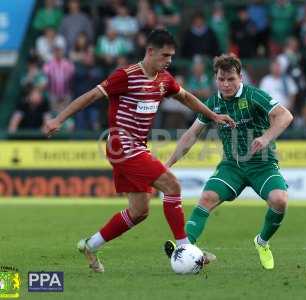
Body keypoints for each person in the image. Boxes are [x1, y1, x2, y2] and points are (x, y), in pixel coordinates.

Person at [43, 29, 234, 273]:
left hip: (138, 146)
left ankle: (90, 245)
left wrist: (214, 115)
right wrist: (58, 119)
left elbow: (186, 98)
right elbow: (92, 95)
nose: (169, 61)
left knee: (139, 211)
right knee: (172, 185)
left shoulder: (164, 79)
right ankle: (186, 248)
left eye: (172, 56)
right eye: (165, 56)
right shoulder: (125, 75)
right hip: (121, 145)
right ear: (150, 52)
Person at [163, 54, 293, 270]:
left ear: (240, 77)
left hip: (262, 164)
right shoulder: (213, 103)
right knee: (206, 197)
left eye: (231, 79)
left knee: (279, 200)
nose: (226, 84)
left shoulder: (254, 96)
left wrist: (265, 137)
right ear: (215, 79)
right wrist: (167, 165)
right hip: (232, 165)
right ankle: (185, 249)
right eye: (221, 79)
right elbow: (191, 135)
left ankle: (262, 242)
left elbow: (285, 116)